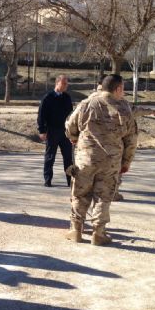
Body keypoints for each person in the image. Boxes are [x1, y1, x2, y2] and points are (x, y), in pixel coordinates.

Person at [64, 74, 138, 246]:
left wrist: (74, 138)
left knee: (80, 193)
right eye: (123, 88)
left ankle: (76, 230)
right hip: (111, 162)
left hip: (86, 159)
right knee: (103, 197)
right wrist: (126, 162)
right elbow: (131, 140)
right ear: (118, 88)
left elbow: (70, 126)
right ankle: (98, 233)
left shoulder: (87, 103)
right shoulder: (125, 108)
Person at [113, 105, 155, 201]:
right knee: (115, 169)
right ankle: (112, 194)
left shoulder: (92, 103)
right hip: (116, 145)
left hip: (95, 145)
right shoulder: (120, 104)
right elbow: (135, 111)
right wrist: (151, 111)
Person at [37, 74, 74, 187]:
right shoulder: (48, 97)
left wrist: (73, 131)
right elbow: (41, 115)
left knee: (68, 157)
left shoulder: (67, 97)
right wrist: (42, 130)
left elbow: (71, 115)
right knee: (50, 156)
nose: (66, 86)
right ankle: (48, 180)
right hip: (52, 131)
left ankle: (71, 181)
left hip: (65, 132)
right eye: (64, 83)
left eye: (67, 83)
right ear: (57, 83)